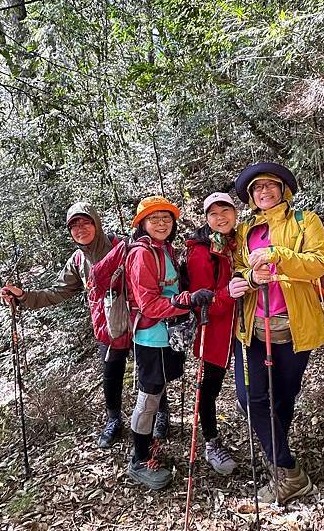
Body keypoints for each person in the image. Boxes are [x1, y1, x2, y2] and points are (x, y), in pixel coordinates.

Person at [0, 202, 169, 448]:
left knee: (150, 372)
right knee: (111, 374)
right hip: (107, 328)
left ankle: (160, 414)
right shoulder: (78, 260)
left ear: (96, 222)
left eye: (85, 222)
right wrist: (23, 296)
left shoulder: (122, 247)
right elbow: (58, 292)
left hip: (138, 321)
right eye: (74, 226)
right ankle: (114, 420)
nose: (80, 229)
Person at [229, 162, 324, 504]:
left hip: (294, 324)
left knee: (285, 396)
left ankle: (279, 462)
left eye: (271, 186)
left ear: (283, 189)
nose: (264, 192)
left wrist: (277, 255)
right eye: (258, 189)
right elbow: (239, 267)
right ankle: (288, 468)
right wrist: (250, 277)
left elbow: (319, 263)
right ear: (251, 197)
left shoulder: (306, 221)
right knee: (251, 399)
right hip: (255, 327)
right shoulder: (245, 230)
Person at [125, 196, 213, 490]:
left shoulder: (165, 250)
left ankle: (149, 446)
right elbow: (149, 304)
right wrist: (186, 300)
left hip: (167, 334)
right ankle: (138, 460)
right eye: (154, 219)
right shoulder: (142, 254)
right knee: (148, 398)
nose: (161, 223)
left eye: (167, 218)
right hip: (151, 337)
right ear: (142, 225)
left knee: (158, 390)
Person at [185, 192, 238, 475]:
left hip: (241, 327)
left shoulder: (234, 242)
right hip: (214, 331)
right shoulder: (200, 252)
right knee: (211, 387)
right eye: (214, 214)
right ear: (206, 219)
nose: (221, 218)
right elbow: (202, 303)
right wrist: (230, 294)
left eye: (225, 211)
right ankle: (211, 441)